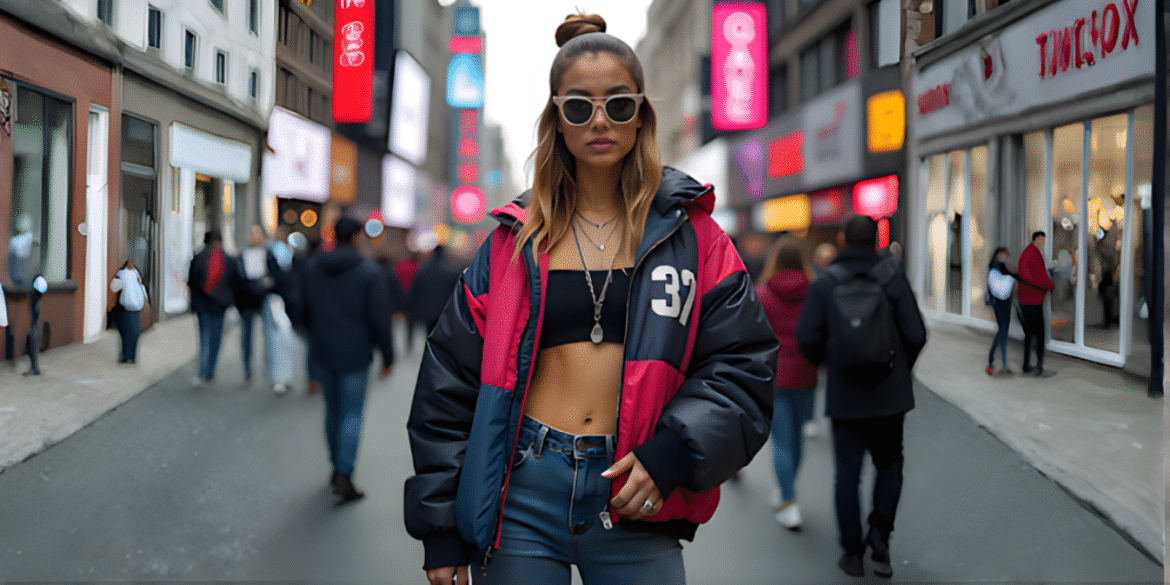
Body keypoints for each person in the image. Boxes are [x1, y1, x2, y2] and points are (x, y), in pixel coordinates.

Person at [404, 14, 777, 585]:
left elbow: (743, 363)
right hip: (519, 492)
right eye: (579, 106)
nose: (600, 120)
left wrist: (672, 454)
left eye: (618, 104)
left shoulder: (695, 238)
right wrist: (440, 528)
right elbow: (448, 385)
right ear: (557, 118)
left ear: (641, 115)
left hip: (635, 489)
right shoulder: (512, 244)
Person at [795, 215, 927, 579]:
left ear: (841, 239)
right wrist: (899, 369)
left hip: (846, 394)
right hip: (889, 395)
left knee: (847, 475)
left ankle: (851, 554)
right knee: (889, 464)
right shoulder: (892, 278)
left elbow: (806, 336)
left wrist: (832, 363)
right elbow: (916, 334)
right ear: (876, 239)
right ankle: (880, 539)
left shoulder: (825, 283)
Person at [299, 217, 395, 505]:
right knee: (352, 413)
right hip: (355, 353)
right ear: (356, 237)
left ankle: (335, 465)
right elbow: (380, 318)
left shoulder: (314, 267)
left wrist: (311, 336)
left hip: (323, 350)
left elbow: (303, 308)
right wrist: (388, 355)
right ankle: (344, 472)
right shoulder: (369, 271)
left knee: (332, 410)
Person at [755, 236, 818, 531]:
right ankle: (786, 490)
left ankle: (789, 501)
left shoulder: (762, 293)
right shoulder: (815, 291)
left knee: (781, 441)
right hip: (806, 373)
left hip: (774, 376)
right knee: (797, 437)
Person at [187, 230, 236, 386]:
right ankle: (209, 371)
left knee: (205, 339)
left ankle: (202, 372)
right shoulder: (227, 259)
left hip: (204, 305)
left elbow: (192, 283)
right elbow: (232, 282)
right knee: (215, 339)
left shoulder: (198, 257)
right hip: (219, 306)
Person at [235, 226, 281, 389]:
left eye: (257, 234)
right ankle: (247, 370)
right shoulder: (243, 255)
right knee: (246, 337)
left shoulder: (268, 254)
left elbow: (277, 274)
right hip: (247, 301)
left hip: (264, 298)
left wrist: (269, 285)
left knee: (269, 336)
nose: (254, 237)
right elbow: (238, 279)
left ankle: (270, 370)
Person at [1016, 231, 1055, 376]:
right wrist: (1050, 285)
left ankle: (1027, 365)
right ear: (1037, 239)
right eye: (1042, 240)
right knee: (1039, 335)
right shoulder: (1032, 253)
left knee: (1029, 334)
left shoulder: (1030, 253)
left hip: (1028, 300)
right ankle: (1038, 367)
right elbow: (1036, 276)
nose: (1044, 243)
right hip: (1031, 301)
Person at [407, 245, 462, 337]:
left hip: (426, 310)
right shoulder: (451, 271)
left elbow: (416, 289)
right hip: (443, 310)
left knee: (428, 334)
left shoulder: (423, 269)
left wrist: (411, 307)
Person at [110, 260, 147, 364]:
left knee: (125, 333)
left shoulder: (121, 274)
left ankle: (125, 357)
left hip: (126, 308)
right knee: (134, 333)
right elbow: (143, 291)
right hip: (136, 309)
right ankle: (133, 357)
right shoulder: (137, 275)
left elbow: (113, 288)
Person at [986, 247, 1015, 375]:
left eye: (1005, 256)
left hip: (1005, 304)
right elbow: (999, 291)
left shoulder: (1002, 268)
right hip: (999, 304)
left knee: (1002, 332)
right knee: (1003, 333)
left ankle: (991, 358)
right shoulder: (995, 269)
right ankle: (1004, 365)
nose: (1004, 258)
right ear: (998, 255)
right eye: (1003, 255)